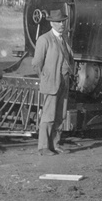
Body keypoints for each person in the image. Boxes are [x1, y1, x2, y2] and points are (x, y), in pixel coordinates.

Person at [32, 9, 75, 156]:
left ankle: (55, 145)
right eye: (58, 21)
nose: (61, 24)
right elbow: (37, 63)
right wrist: (45, 78)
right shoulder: (44, 39)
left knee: (60, 115)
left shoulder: (65, 39)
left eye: (63, 21)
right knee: (48, 116)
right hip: (52, 82)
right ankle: (43, 147)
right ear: (51, 23)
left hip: (64, 81)